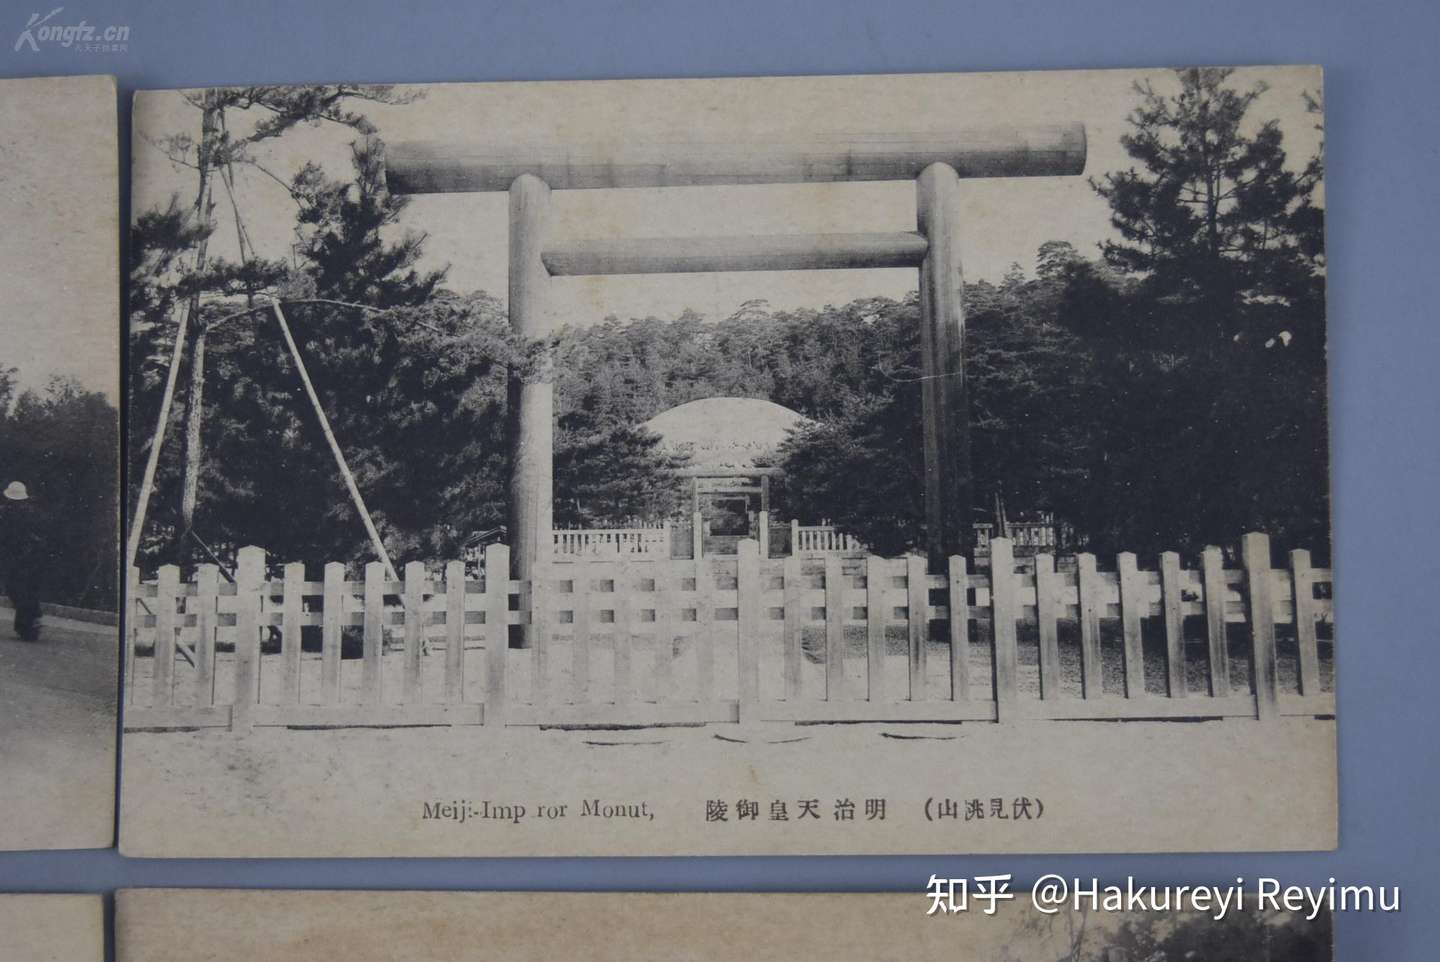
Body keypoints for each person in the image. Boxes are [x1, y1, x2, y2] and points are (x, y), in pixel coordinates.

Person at [0, 481, 46, 641]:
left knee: (16, 589)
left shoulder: (5, 512)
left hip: (15, 557)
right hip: (32, 556)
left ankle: (28, 623)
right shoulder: (33, 512)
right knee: (26, 589)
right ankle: (29, 622)